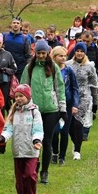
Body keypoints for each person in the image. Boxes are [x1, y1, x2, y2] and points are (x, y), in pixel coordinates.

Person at [20, 39, 66, 184]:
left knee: (47, 141)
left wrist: (62, 108)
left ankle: (44, 171)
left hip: (51, 110)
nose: (41, 56)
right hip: (33, 110)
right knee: (33, 140)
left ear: (48, 53)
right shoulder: (29, 68)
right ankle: (33, 166)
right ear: (35, 53)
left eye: (43, 53)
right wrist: (21, 104)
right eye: (38, 53)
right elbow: (23, 88)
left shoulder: (53, 68)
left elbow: (59, 88)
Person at [0, 84, 44, 194]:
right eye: (16, 96)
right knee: (19, 180)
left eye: (21, 96)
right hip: (18, 151)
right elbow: (8, 129)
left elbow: (38, 129)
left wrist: (36, 140)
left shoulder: (34, 112)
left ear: (28, 97)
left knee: (29, 175)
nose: (18, 99)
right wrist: (2, 138)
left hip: (31, 151)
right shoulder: (13, 112)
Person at [66, 42, 98, 160]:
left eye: (82, 51)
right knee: (69, 124)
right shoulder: (68, 65)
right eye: (77, 51)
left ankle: (77, 151)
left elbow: (94, 85)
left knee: (77, 123)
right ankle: (76, 142)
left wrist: (95, 102)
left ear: (85, 53)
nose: (79, 53)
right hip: (70, 96)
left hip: (84, 96)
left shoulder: (90, 66)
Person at [50, 46, 79, 166]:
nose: (63, 58)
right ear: (54, 57)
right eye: (60, 56)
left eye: (64, 56)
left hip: (67, 104)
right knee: (55, 131)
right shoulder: (50, 70)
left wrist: (75, 104)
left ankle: (62, 156)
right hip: (52, 104)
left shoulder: (69, 71)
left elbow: (75, 88)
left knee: (65, 131)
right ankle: (55, 153)